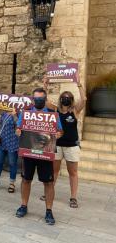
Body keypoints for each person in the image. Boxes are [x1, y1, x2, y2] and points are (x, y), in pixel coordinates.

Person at [15, 88, 63, 225]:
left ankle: (49, 211)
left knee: (48, 182)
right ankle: (23, 206)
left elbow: (60, 131)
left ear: (45, 99)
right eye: (36, 99)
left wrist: (59, 134)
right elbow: (18, 128)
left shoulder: (53, 115)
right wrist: (18, 131)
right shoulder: (26, 113)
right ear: (33, 99)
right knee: (26, 179)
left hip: (46, 153)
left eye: (41, 99)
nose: (39, 101)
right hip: (29, 152)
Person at [44, 80, 86, 208]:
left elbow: (84, 99)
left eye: (68, 97)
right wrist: (45, 85)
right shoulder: (55, 109)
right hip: (56, 144)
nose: (66, 99)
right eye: (64, 97)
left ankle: (73, 197)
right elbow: (44, 102)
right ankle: (48, 193)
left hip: (71, 145)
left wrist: (79, 84)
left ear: (71, 99)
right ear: (60, 98)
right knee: (54, 171)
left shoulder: (74, 111)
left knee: (72, 172)